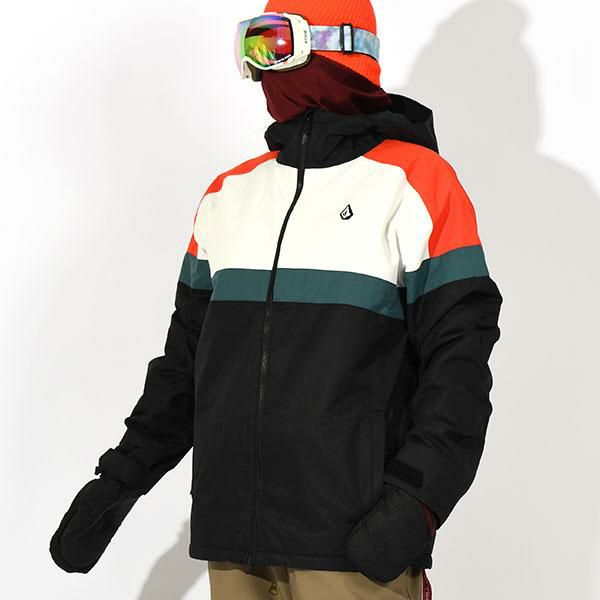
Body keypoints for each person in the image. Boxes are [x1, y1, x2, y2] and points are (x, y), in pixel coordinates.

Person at [50, 1, 502, 598]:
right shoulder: (228, 194)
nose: (261, 66)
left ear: (336, 49)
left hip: (353, 544)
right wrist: (117, 482)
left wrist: (417, 500)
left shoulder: (417, 183)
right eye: (251, 47)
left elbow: (460, 368)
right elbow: (183, 369)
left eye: (274, 43)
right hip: (233, 542)